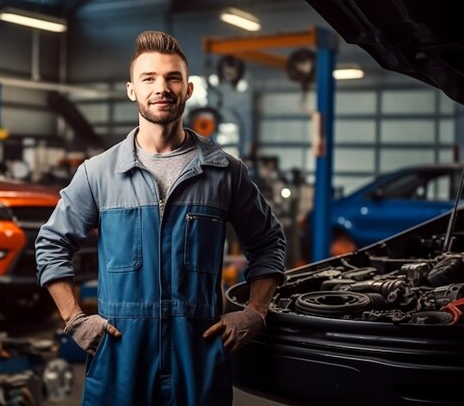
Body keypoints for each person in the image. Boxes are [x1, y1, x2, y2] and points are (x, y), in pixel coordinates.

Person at [35, 30, 286, 406]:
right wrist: (73, 319)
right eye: (148, 78)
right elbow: (51, 243)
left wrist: (255, 312)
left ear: (188, 88)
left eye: (172, 78)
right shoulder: (98, 173)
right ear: (131, 90)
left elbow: (268, 241)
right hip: (121, 357)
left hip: (196, 357)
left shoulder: (225, 172)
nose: (161, 88)